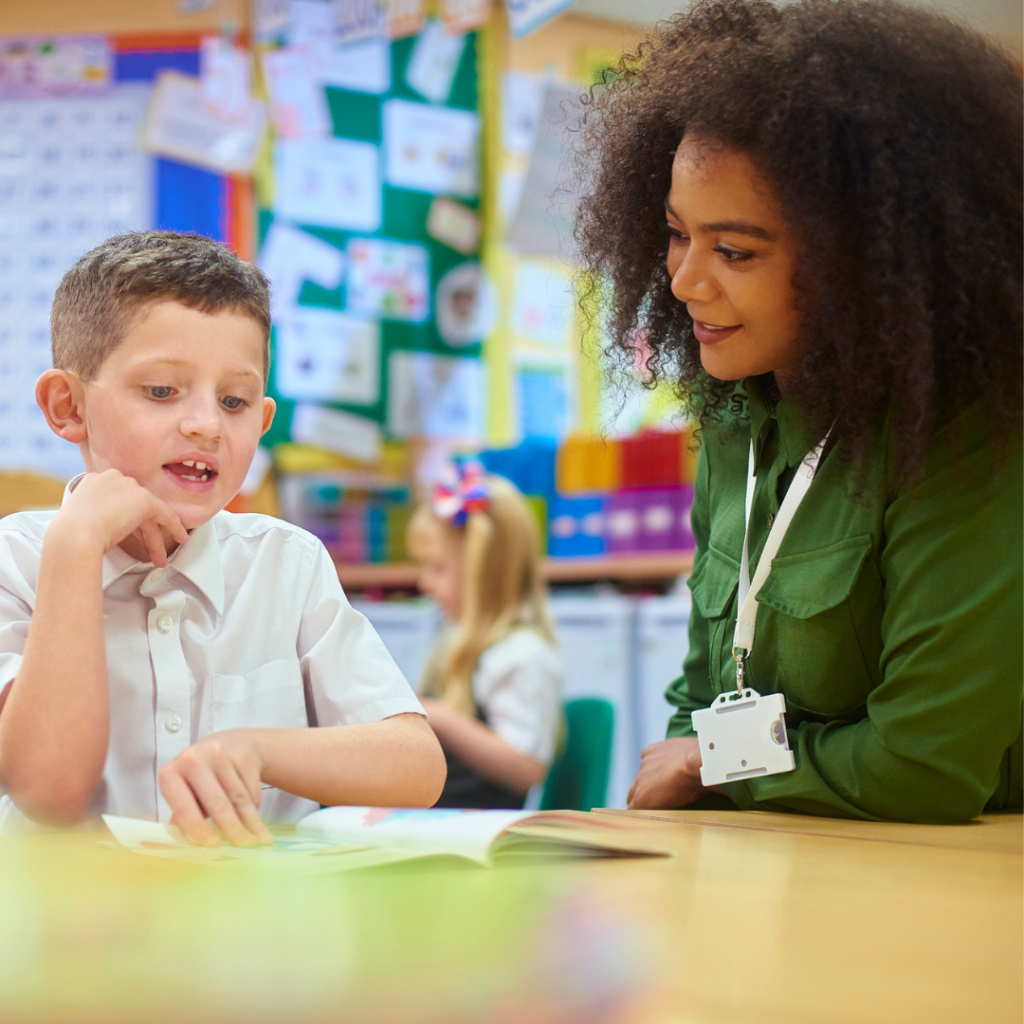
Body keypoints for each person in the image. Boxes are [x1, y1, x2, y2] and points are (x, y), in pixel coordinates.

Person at [576, 0, 1022, 823]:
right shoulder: (735, 418)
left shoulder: (966, 434)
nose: (682, 280)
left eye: (735, 251)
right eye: (676, 233)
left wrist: (715, 766)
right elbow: (703, 697)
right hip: (779, 866)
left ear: (866, 259)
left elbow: (921, 764)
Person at [0, 231, 446, 845]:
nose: (206, 424)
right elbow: (49, 791)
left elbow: (418, 767)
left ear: (262, 422)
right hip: (74, 926)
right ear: (67, 405)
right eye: (161, 391)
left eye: (234, 401)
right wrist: (75, 546)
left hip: (252, 921)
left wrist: (255, 749)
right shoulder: (16, 562)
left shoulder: (286, 563)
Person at [407, 459, 563, 808]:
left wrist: (440, 717)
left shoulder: (521, 652)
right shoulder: (456, 639)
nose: (424, 583)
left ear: (485, 572)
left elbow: (526, 767)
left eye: (438, 568)